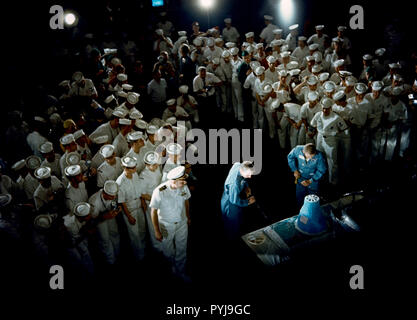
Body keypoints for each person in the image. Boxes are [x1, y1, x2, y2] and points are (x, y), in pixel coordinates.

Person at [150, 165, 191, 281]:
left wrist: (188, 217)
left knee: (182, 249)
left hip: (182, 223)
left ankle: (181, 271)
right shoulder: (159, 191)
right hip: (166, 225)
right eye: (182, 181)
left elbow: (186, 201)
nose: (184, 183)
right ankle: (171, 267)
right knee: (168, 250)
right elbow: (153, 211)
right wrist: (157, 231)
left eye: (184, 181)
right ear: (173, 181)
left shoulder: (183, 187)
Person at [116, 156, 147, 262]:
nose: (135, 169)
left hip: (138, 205)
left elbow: (139, 189)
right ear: (125, 168)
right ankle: (139, 257)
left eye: (135, 167)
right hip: (130, 210)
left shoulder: (135, 175)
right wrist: (129, 216)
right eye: (132, 168)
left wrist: (143, 203)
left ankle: (144, 251)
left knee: (142, 230)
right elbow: (122, 202)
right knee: (135, 235)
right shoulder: (120, 182)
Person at [220, 161, 256, 241]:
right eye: (248, 174)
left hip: (232, 195)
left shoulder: (238, 165)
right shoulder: (234, 184)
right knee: (233, 225)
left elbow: (243, 179)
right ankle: (233, 241)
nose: (250, 177)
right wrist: (248, 202)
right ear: (243, 170)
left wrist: (246, 187)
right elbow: (234, 201)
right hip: (230, 204)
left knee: (238, 221)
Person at [88, 180, 121, 265]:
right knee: (105, 240)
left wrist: (117, 209)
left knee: (115, 234)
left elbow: (114, 203)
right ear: (104, 193)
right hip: (99, 221)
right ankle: (111, 261)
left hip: (109, 215)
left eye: (114, 196)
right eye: (111, 196)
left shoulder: (112, 195)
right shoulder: (94, 202)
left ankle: (118, 255)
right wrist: (103, 217)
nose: (114, 198)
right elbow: (91, 222)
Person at [287, 143, 327, 207]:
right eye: (309, 156)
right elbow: (290, 157)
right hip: (300, 178)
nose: (311, 158)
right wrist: (295, 170)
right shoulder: (297, 150)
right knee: (300, 197)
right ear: (303, 152)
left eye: (312, 156)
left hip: (313, 180)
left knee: (313, 199)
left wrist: (311, 180)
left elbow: (321, 170)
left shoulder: (319, 156)